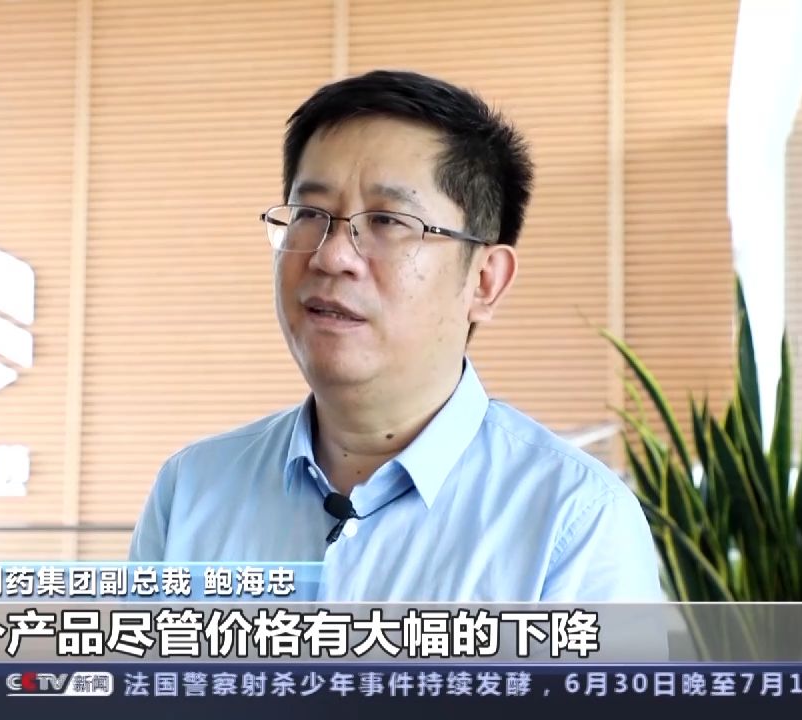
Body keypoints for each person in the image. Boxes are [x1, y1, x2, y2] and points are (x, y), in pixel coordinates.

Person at [129, 69, 663, 602]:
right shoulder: (191, 490)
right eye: (310, 213)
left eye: (388, 221)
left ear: (484, 281)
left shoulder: (576, 521)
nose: (332, 256)